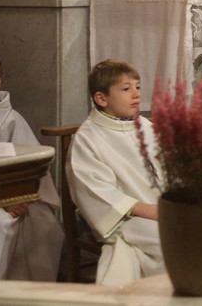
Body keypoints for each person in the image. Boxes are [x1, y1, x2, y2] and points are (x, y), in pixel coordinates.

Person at [66, 59, 164, 285]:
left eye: (138, 87)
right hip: (124, 218)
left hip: (164, 210)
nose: (137, 94)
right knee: (172, 241)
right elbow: (94, 190)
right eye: (126, 89)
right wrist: (148, 210)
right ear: (101, 98)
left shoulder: (147, 127)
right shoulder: (88, 138)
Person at [0, 52, 63, 281]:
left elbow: (33, 162)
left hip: (14, 194)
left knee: (46, 224)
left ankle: (28, 294)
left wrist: (21, 197)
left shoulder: (12, 117)